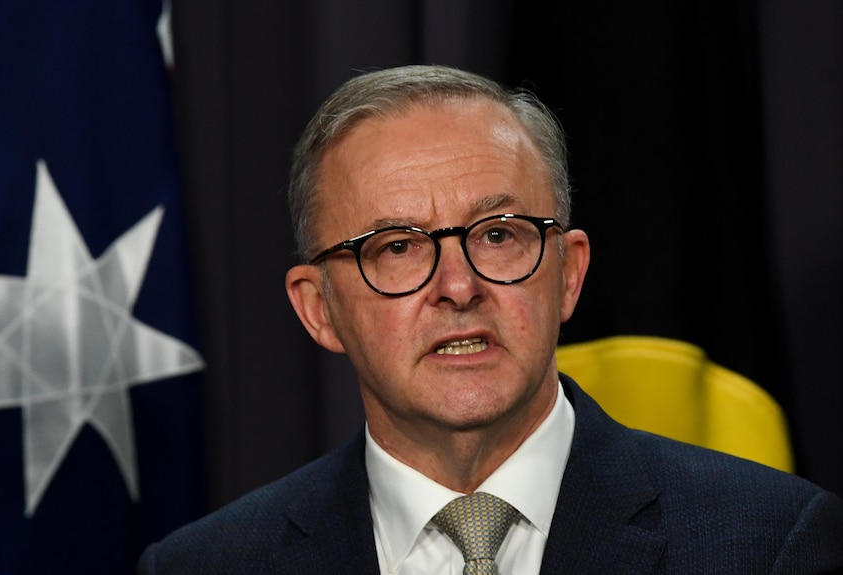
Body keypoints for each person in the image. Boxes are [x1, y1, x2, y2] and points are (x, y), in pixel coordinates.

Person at [138, 65, 843, 574]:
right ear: (319, 309)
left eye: (498, 234)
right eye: (398, 247)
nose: (458, 285)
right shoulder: (204, 563)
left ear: (567, 273)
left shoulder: (767, 542)